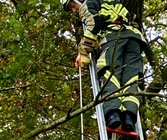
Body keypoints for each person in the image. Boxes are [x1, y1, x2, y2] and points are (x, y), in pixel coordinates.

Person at [61, 0, 146, 132]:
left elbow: (94, 23)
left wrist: (83, 51)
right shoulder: (112, 2)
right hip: (134, 40)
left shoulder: (88, 4)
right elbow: (135, 20)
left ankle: (113, 114)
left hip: (113, 39)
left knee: (110, 74)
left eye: (72, 6)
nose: (74, 10)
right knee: (131, 79)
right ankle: (129, 117)